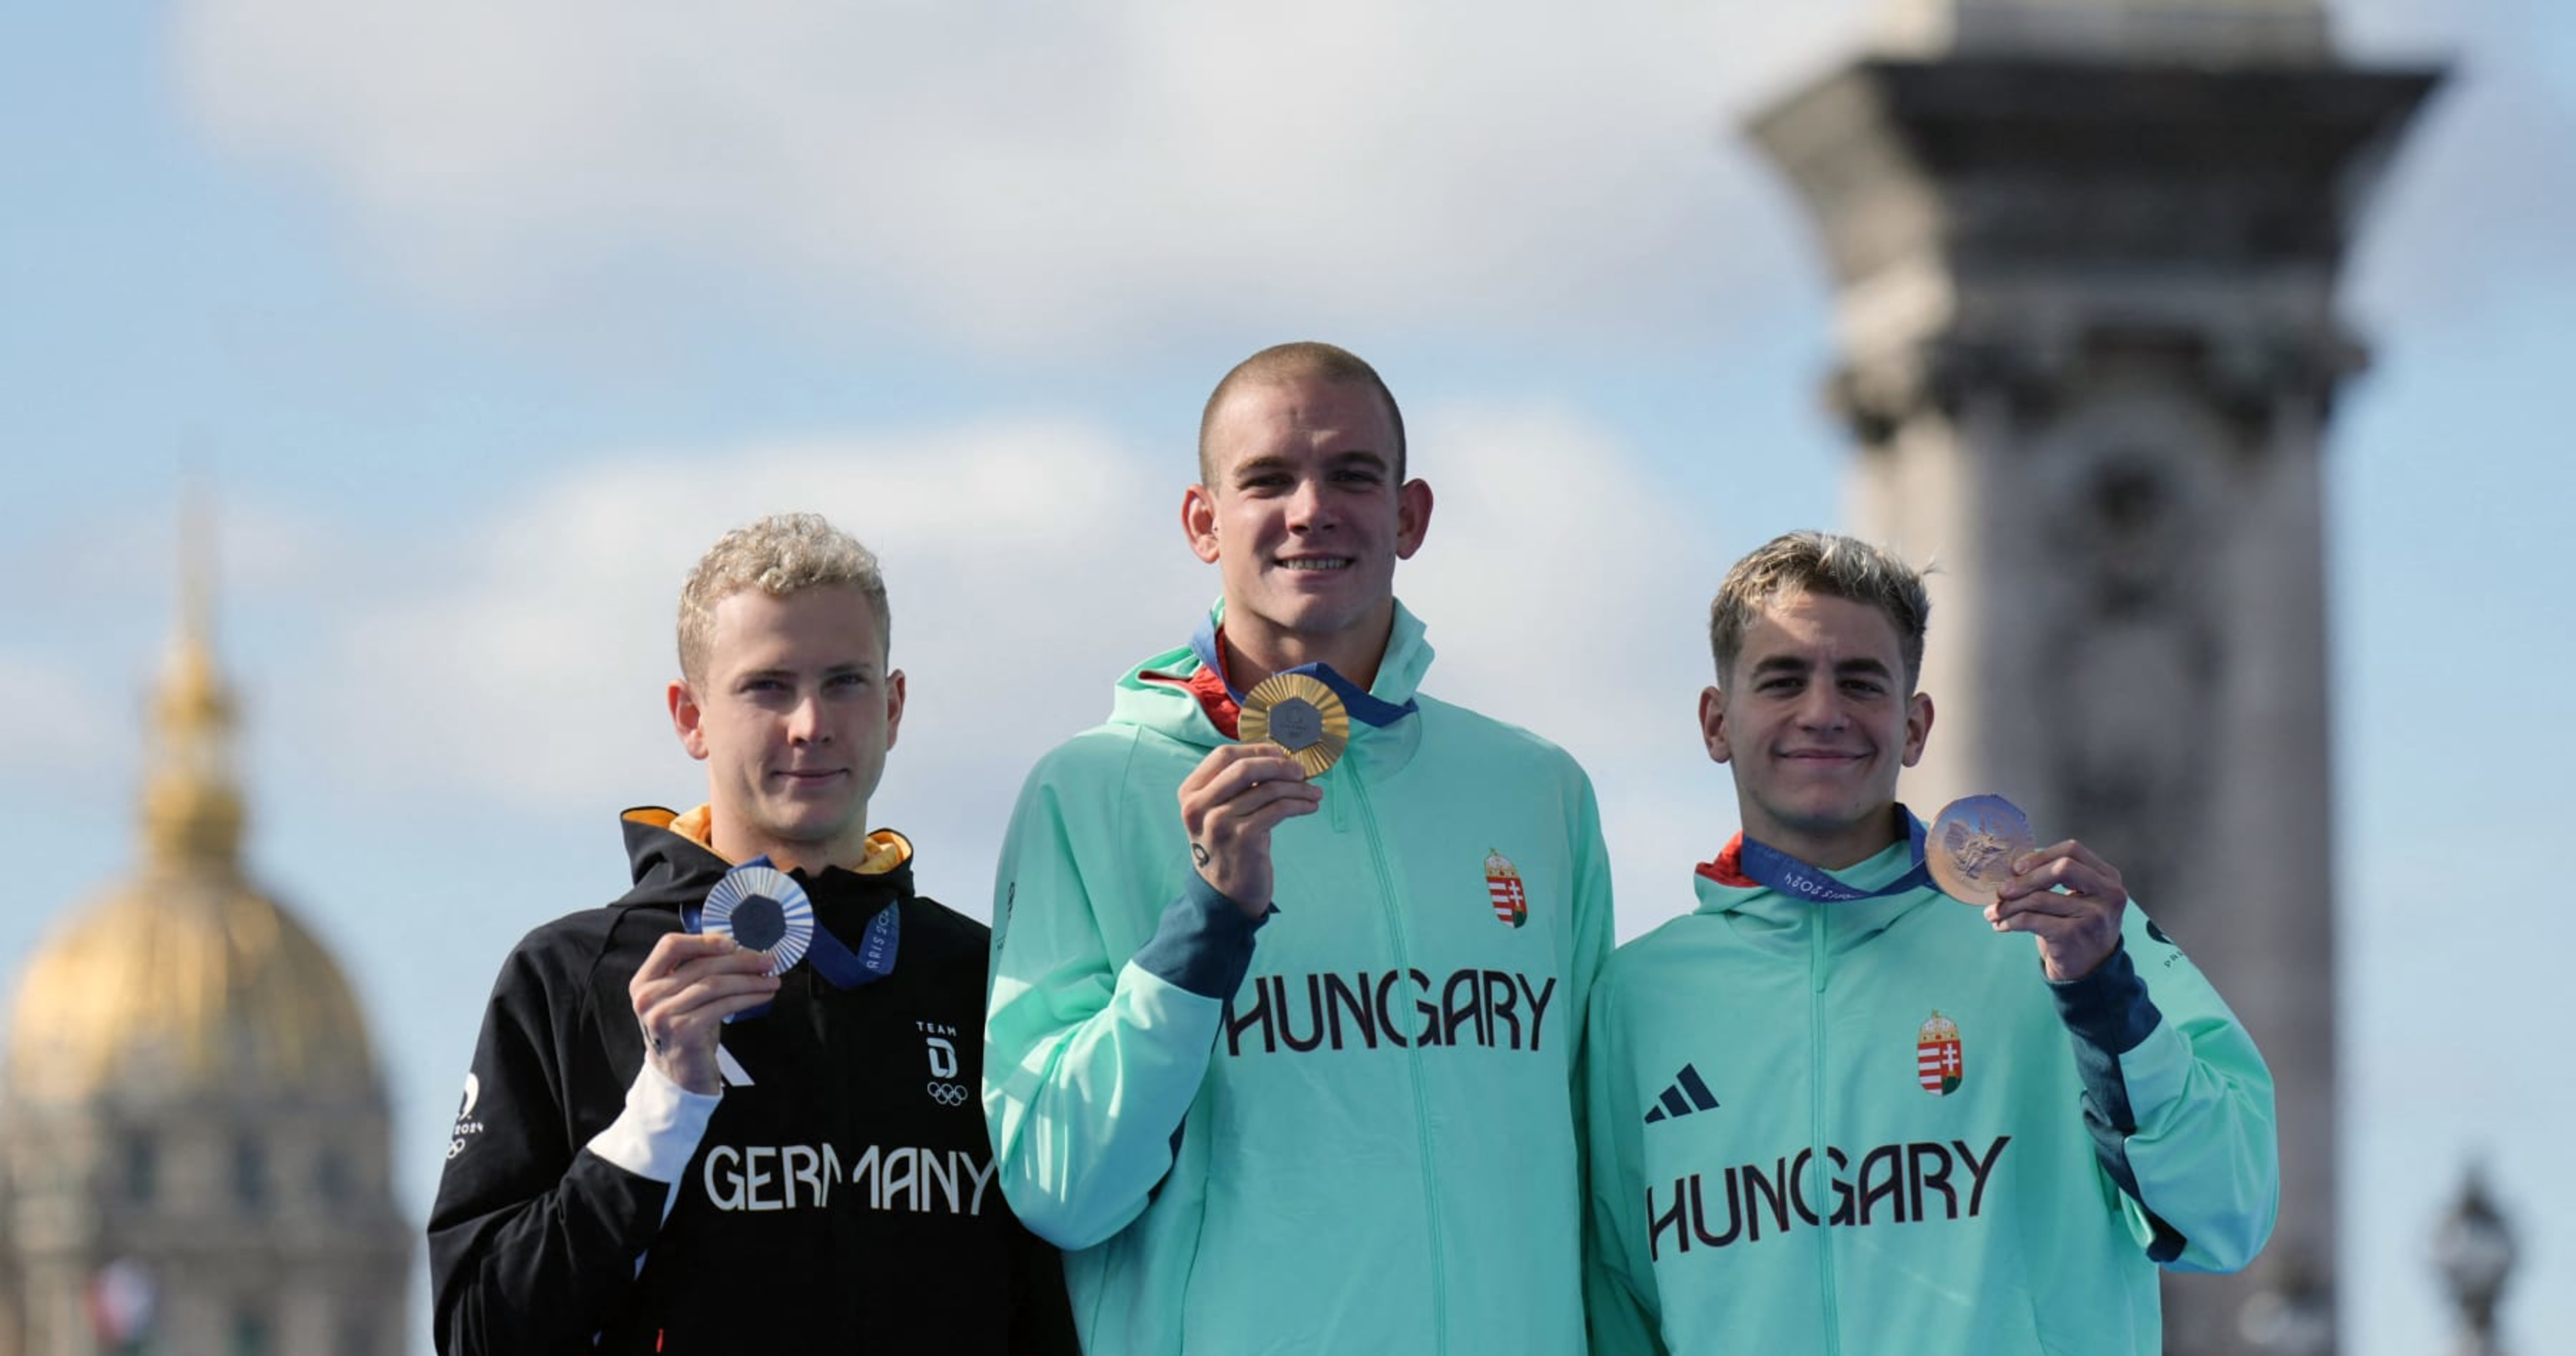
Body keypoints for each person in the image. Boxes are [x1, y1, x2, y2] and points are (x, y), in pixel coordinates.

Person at [982, 342, 1616, 1352]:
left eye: (1352, 475)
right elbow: (1061, 1187)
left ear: (1410, 515)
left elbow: (1606, 1186)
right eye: (1268, 479)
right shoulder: (1090, 788)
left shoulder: (1538, 792)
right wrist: (1206, 930)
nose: (1311, 508)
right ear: (1204, 521)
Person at [1582, 530, 2279, 1355]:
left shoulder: (2066, 934)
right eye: (1781, 679)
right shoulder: (1633, 999)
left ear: (1913, 726)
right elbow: (1618, 1310)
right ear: (1715, 721)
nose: (1822, 711)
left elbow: (2228, 1209)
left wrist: (2104, 1004)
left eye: (1859, 681)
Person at [429, 513, 1072, 1354]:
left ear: (894, 703)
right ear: (689, 715)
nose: (811, 723)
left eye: (844, 681)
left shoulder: (984, 976)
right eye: (767, 685)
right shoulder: (570, 977)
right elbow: (481, 1329)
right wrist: (659, 1109)